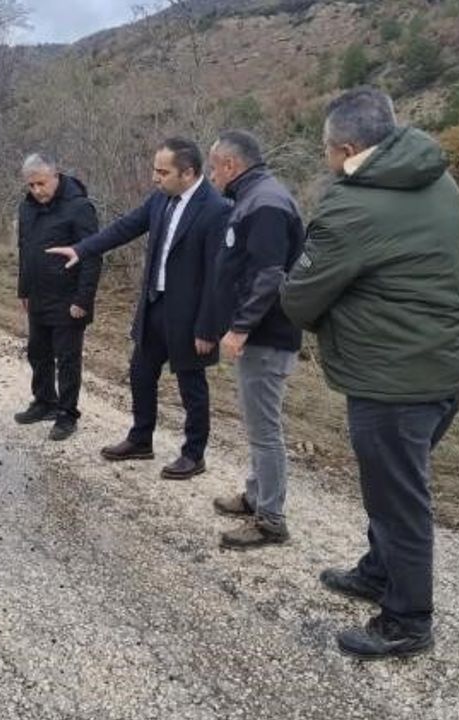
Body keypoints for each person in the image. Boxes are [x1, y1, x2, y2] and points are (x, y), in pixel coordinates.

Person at [281, 87, 459, 660]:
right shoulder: (439, 180)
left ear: (345, 147)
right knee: (393, 485)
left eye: (325, 150)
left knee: (399, 499)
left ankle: (408, 620)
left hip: (391, 382)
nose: (325, 159)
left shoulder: (349, 208)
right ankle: (377, 570)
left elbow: (299, 299)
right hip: (445, 367)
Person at [48, 138, 229, 480]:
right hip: (154, 305)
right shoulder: (161, 198)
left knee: (192, 384)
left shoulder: (216, 209)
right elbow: (125, 227)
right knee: (141, 372)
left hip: (191, 317)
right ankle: (140, 439)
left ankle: (193, 454)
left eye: (163, 172)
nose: (155, 178)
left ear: (188, 173)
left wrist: (209, 328)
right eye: (154, 170)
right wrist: (82, 249)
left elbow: (218, 276)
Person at [207, 129, 306, 550]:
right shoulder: (254, 196)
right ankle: (255, 495)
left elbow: (269, 276)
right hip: (260, 334)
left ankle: (271, 519)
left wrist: (241, 327)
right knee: (255, 421)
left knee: (265, 429)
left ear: (231, 165)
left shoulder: (264, 203)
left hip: (268, 336)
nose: (212, 177)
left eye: (214, 168)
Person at [14, 153, 103, 441]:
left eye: (41, 183)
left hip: (68, 298)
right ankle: (44, 402)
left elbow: (92, 256)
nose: (37, 190)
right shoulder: (26, 209)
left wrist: (83, 299)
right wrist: (23, 289)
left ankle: (67, 414)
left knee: (67, 359)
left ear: (56, 176)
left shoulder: (79, 208)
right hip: (38, 294)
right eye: (31, 185)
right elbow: (24, 251)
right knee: (38, 353)